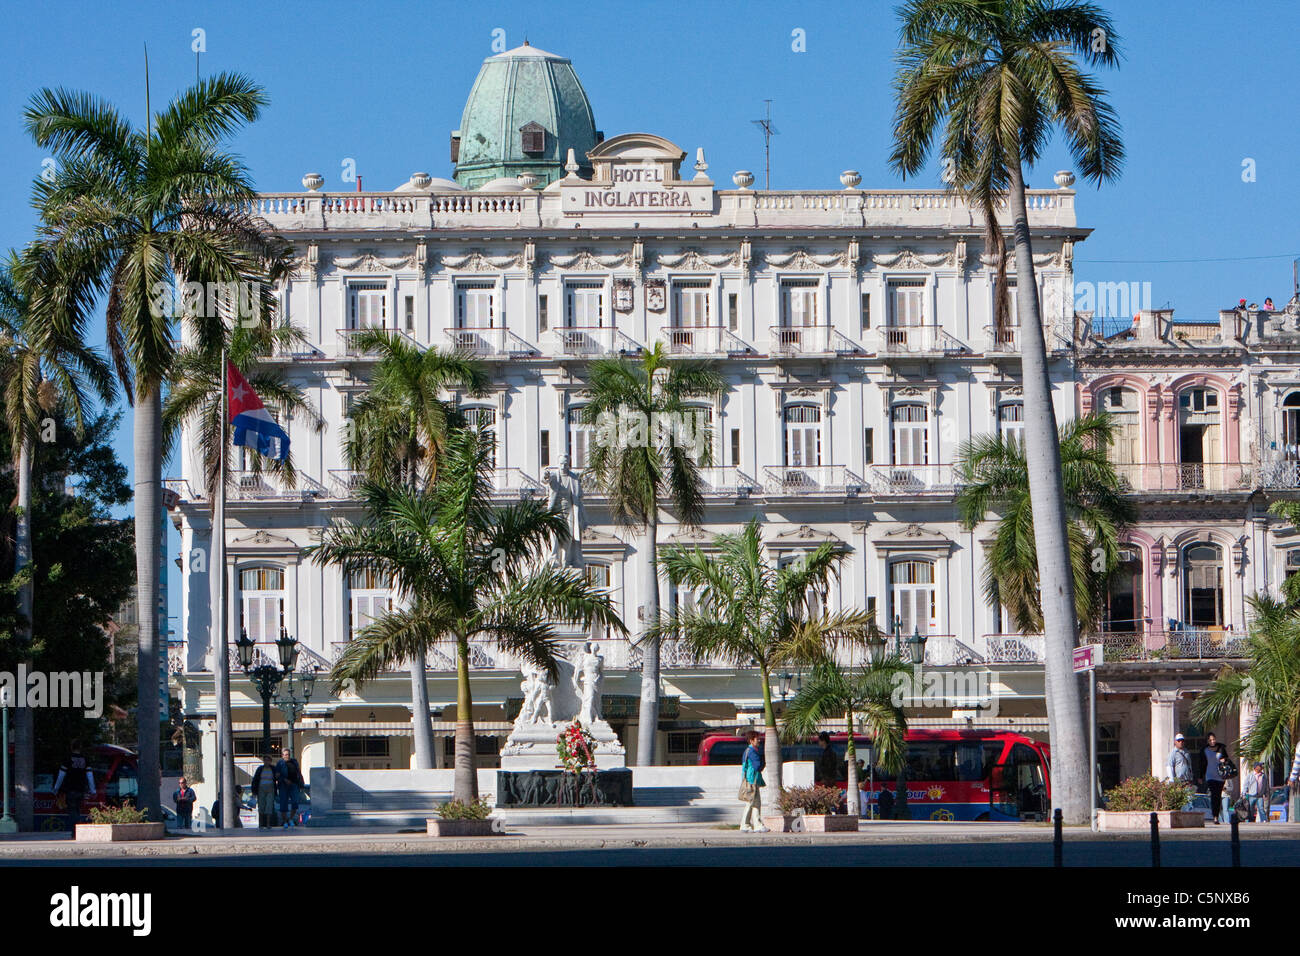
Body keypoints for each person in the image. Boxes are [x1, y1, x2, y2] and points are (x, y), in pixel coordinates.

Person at [53, 740, 95, 835]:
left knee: (72, 811)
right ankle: (77, 830)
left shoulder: (68, 759)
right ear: (80, 747)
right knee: (78, 809)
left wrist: (56, 789)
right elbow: (90, 776)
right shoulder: (85, 759)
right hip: (81, 789)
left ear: (71, 747)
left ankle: (75, 831)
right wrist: (93, 790)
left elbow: (61, 775)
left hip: (70, 789)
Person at [739, 729, 768, 832]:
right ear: (751, 740)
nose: (759, 740)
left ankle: (757, 825)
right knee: (751, 803)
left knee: (755, 803)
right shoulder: (752, 752)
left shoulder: (747, 751)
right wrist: (763, 763)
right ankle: (745, 825)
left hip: (750, 779)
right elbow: (757, 766)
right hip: (753, 780)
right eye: (757, 739)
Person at [275, 748, 304, 828]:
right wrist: (284, 780)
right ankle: (284, 821)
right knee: (283, 804)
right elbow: (277, 775)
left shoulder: (294, 762)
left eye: (287, 754)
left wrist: (301, 782)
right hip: (283, 785)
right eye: (284, 754)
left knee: (295, 802)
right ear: (282, 755)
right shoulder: (280, 763)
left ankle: (290, 819)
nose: (286, 756)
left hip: (294, 785)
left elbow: (298, 772)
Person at [1202, 733, 1226, 824]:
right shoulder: (1205, 750)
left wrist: (1224, 760)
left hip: (1219, 777)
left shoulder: (1221, 748)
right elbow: (1202, 764)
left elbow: (1226, 759)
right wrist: (1201, 776)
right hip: (1210, 776)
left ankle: (1217, 815)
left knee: (1218, 796)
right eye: (1210, 740)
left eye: (1214, 739)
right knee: (1214, 795)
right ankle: (1215, 816)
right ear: (1208, 741)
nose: (1213, 741)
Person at [251, 754, 280, 829]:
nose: (266, 762)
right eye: (265, 760)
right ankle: (260, 823)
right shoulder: (260, 769)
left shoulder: (273, 769)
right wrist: (254, 790)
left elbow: (277, 777)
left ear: (270, 761)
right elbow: (255, 779)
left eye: (268, 760)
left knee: (269, 806)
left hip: (270, 789)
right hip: (261, 789)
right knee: (261, 806)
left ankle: (268, 824)